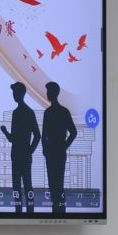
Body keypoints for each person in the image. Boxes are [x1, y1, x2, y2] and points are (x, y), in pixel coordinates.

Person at [41, 79, 77, 214]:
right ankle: (56, 211)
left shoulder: (59, 112)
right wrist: (46, 149)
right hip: (53, 152)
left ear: (54, 93)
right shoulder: (51, 112)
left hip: (56, 152)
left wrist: (63, 147)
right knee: (54, 184)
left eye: (49, 91)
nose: (47, 94)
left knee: (57, 184)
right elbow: (44, 135)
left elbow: (73, 132)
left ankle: (60, 212)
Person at [7, 81, 39, 211]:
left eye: (14, 92)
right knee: (26, 185)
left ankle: (20, 212)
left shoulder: (19, 113)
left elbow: (13, 138)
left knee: (19, 186)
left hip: (18, 155)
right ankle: (28, 213)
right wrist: (29, 151)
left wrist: (4, 131)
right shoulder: (28, 112)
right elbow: (37, 136)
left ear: (19, 93)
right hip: (22, 155)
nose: (13, 95)